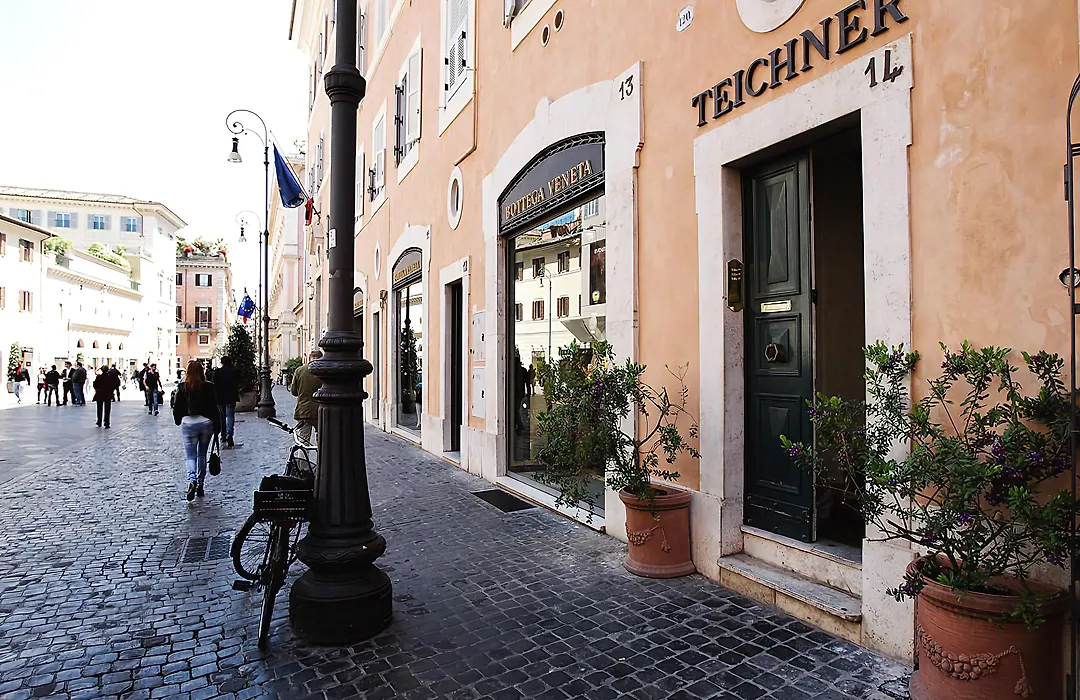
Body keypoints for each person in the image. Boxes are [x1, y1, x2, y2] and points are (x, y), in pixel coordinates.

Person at [172, 360, 220, 501]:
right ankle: (200, 484)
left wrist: (178, 420)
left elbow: (177, 406)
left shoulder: (182, 387)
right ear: (201, 371)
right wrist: (217, 426)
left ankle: (191, 479)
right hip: (205, 422)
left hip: (188, 423)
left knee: (190, 456)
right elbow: (215, 407)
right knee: (202, 455)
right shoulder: (209, 386)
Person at [290, 349, 323, 446]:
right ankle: (321, 455)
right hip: (320, 410)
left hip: (303, 410)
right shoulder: (323, 371)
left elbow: (293, 391)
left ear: (309, 358)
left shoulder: (299, 370)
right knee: (321, 439)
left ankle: (303, 456)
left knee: (303, 440)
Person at [212, 356, 239, 448]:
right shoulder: (235, 371)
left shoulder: (218, 372)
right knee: (230, 416)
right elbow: (239, 382)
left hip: (220, 398)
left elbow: (214, 384)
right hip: (231, 397)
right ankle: (229, 434)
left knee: (222, 417)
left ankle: (223, 435)